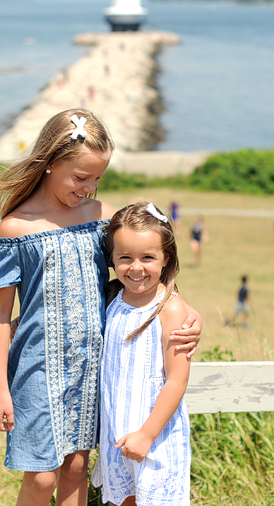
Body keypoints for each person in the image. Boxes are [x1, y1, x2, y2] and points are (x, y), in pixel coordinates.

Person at [0, 109, 202, 506]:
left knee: (78, 467)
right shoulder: (17, 228)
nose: (90, 187)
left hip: (92, 366)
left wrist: (184, 307)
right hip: (36, 369)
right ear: (49, 164)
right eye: (81, 177)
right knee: (42, 478)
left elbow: (144, 270)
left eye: (98, 177)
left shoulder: (102, 218)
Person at [92, 202, 191, 505]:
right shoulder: (110, 299)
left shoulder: (169, 309)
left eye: (148, 257)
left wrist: (147, 434)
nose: (136, 267)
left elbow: (176, 380)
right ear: (112, 258)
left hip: (156, 435)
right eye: (125, 258)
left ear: (166, 258)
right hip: (117, 436)